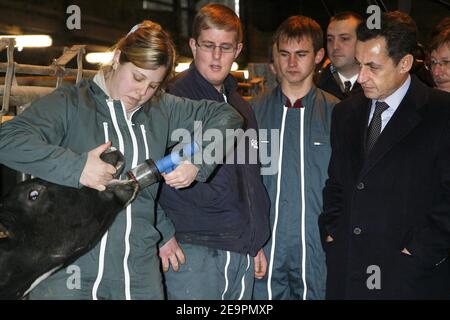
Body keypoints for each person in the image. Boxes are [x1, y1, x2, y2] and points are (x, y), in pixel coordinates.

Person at [0, 20, 243, 300]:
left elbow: (228, 117)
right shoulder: (72, 104)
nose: (142, 92)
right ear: (117, 59)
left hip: (137, 271)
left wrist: (198, 159)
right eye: (137, 77)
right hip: (68, 269)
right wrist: (77, 167)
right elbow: (8, 139)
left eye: (153, 85)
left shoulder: (161, 108)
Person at [319, 11, 450, 299]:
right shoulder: (346, 112)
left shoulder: (441, 113)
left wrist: (417, 251)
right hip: (348, 271)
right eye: (359, 64)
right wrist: (332, 232)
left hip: (407, 277)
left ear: (404, 63)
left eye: (373, 67)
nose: (361, 76)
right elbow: (337, 183)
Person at [157, 3, 270, 300]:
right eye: (208, 46)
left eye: (225, 47)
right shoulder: (171, 100)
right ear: (193, 46)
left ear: (238, 49)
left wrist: (254, 239)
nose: (217, 57)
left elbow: (251, 178)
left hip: (240, 251)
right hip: (192, 251)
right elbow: (142, 176)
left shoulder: (243, 107)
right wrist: (162, 234)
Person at [251, 15, 339, 300]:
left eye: (301, 54)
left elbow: (351, 185)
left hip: (317, 249)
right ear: (274, 58)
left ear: (319, 57)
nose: (291, 64)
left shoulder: (339, 115)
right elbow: (240, 184)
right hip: (264, 247)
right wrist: (248, 240)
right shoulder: (251, 113)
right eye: (284, 54)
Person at [316, 12, 363, 100]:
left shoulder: (379, 85)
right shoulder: (316, 87)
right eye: (330, 39)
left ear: (361, 41)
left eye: (344, 38)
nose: (335, 46)